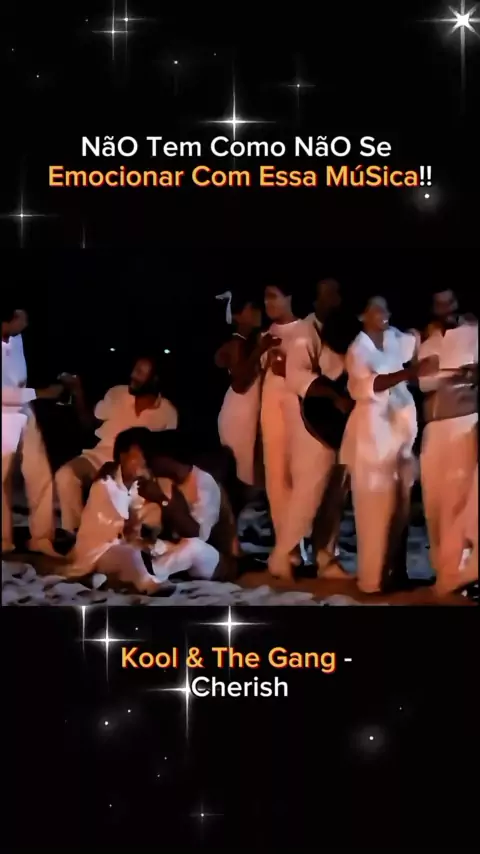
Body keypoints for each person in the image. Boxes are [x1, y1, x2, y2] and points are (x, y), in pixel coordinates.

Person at [340, 296, 437, 594]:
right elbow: (368, 386)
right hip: (372, 435)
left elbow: (417, 340)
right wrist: (409, 373)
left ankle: (397, 571)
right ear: (362, 316)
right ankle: (372, 580)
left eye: (386, 307)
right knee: (374, 508)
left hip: (399, 436)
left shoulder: (394, 338)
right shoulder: (357, 350)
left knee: (400, 507)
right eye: (376, 309)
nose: (384, 313)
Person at [270, 278, 353, 580]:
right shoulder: (306, 332)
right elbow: (297, 377)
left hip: (340, 423)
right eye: (329, 294)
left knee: (335, 494)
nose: (336, 299)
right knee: (309, 492)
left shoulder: (342, 328)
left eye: (337, 293)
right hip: (312, 423)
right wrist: (334, 396)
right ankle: (283, 554)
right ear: (316, 300)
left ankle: (326, 557)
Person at [54, 355, 178, 536]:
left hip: (133, 468)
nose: (133, 375)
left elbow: (166, 453)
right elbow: (89, 423)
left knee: (139, 503)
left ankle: (130, 536)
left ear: (155, 379)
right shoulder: (117, 394)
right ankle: (76, 533)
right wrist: (78, 392)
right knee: (65, 475)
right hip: (98, 457)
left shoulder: (167, 412)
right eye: (134, 370)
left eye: (140, 372)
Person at [65, 428, 174, 595]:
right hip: (98, 549)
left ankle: (103, 580)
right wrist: (154, 499)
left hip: (118, 546)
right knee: (131, 555)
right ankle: (148, 584)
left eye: (146, 455)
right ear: (123, 456)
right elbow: (122, 529)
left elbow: (134, 530)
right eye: (139, 455)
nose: (143, 461)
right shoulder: (106, 485)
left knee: (153, 549)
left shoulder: (135, 486)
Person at [418, 291, 478, 582]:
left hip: (464, 422)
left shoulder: (473, 334)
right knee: (434, 500)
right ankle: (442, 570)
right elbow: (423, 383)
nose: (445, 309)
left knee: (459, 498)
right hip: (433, 428)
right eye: (439, 303)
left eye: (449, 302)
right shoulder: (428, 342)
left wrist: (469, 374)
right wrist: (449, 376)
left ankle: (457, 572)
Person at [2, 305, 65, 555]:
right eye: (23, 319)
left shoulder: (16, 339)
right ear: (9, 318)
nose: (26, 324)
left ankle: (42, 538)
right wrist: (41, 393)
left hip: (24, 411)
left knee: (40, 474)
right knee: (2, 479)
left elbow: (19, 380)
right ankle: (4, 539)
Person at [258, 283, 310, 575]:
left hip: (298, 409)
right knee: (276, 481)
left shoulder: (306, 330)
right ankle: (289, 550)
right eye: (266, 298)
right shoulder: (266, 335)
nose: (269, 303)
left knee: (300, 477)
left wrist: (287, 368)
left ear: (289, 297)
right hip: (271, 410)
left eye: (274, 297)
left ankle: (305, 544)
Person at [135, 429, 227, 581]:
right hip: (171, 552)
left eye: (152, 458)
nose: (148, 463)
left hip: (202, 557)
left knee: (193, 547)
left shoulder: (203, 483)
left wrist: (161, 499)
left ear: (166, 458)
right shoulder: (160, 481)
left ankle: (151, 574)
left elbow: (197, 534)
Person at [215, 291, 264, 491]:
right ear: (237, 315)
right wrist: (260, 350)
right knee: (242, 473)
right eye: (252, 308)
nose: (258, 312)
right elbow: (241, 383)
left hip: (244, 410)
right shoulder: (237, 343)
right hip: (239, 412)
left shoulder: (247, 341)